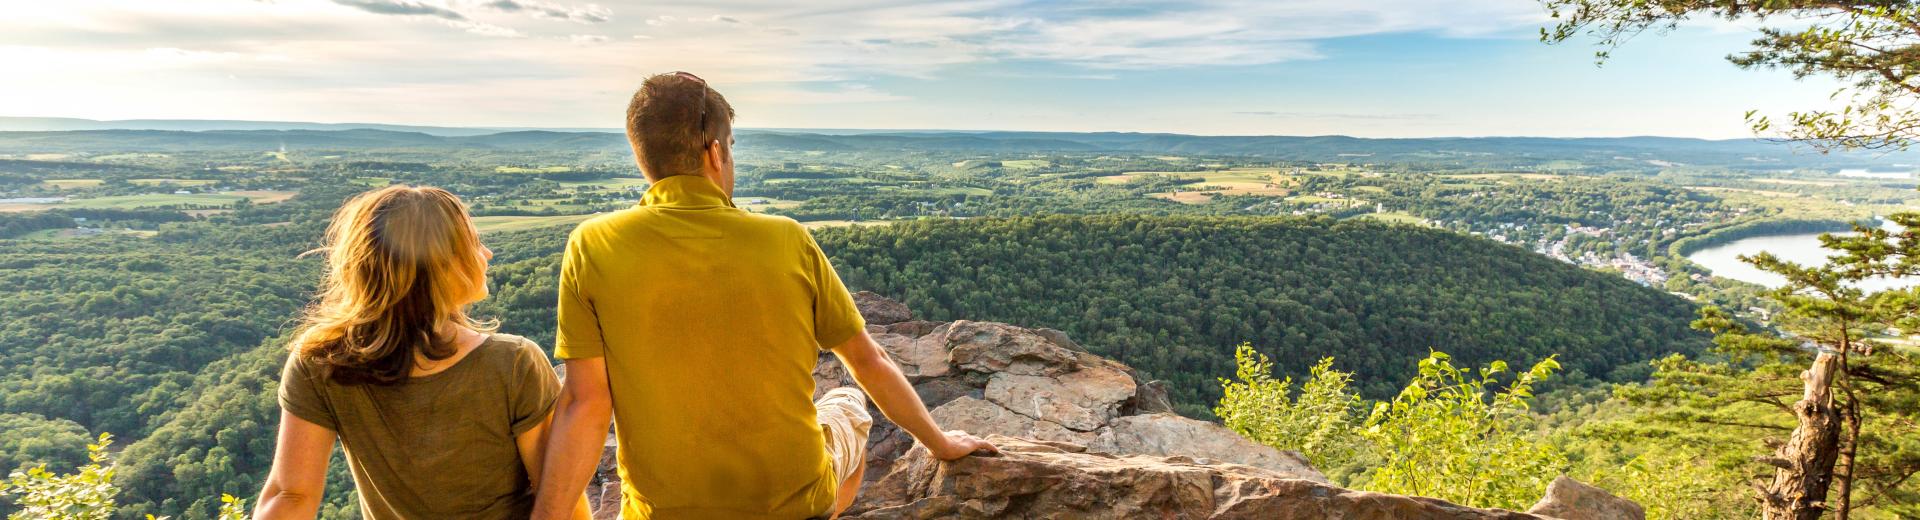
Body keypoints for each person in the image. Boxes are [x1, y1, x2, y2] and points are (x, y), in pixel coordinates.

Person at [530, 71, 997, 520]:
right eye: (730, 147)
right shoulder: (787, 238)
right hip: (789, 503)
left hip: (662, 511)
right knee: (849, 406)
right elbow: (869, 360)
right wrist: (942, 444)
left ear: (642, 158)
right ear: (715, 152)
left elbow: (585, 403)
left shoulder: (592, 244)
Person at [254, 186, 589, 519]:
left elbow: (290, 495)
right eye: (472, 243)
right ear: (439, 267)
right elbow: (561, 501)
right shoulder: (513, 363)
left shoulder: (321, 361)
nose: (486, 254)